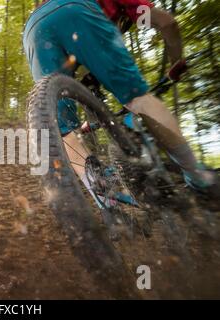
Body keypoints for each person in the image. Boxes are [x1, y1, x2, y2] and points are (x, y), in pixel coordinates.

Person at [23, 0, 217, 205]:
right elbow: (166, 22)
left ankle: (105, 200)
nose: (120, 30)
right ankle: (197, 177)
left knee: (62, 125)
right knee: (138, 98)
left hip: (34, 29)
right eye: (123, 26)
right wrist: (176, 63)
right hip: (75, 11)